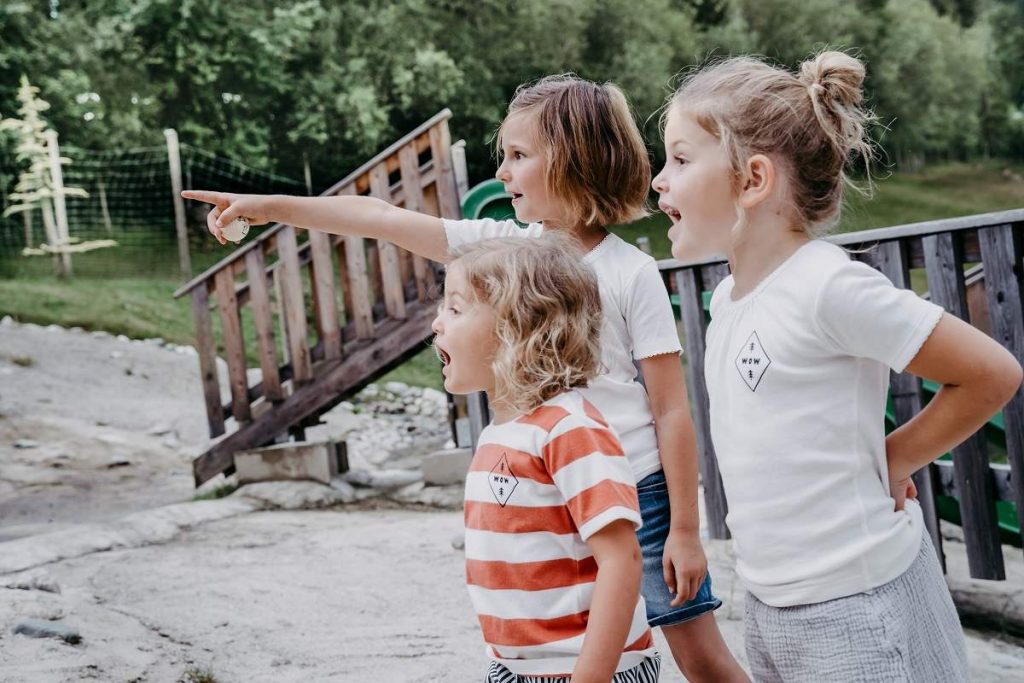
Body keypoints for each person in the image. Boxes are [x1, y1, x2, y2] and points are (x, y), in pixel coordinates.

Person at [184, 74, 747, 681]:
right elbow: (378, 217)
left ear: (573, 158)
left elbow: (670, 409)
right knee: (561, 644)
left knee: (697, 653)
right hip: (547, 492)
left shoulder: (630, 272)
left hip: (636, 490)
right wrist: (264, 209)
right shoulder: (504, 253)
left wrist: (687, 531)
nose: (502, 172)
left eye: (517, 156)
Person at [652, 50, 1023, 681]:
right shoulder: (729, 307)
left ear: (752, 180)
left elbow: (991, 372)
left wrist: (895, 456)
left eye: (680, 160)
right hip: (773, 603)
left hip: (858, 603)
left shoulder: (827, 285)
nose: (659, 179)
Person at [435, 233, 659, 681]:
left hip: (589, 669)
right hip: (513, 668)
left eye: (455, 309)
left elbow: (622, 561)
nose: (437, 323)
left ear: (518, 330)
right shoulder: (501, 433)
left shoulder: (570, 428)